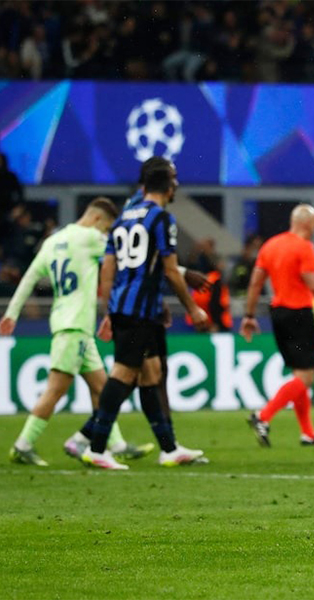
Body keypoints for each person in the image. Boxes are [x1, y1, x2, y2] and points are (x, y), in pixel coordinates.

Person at [2, 198, 153, 466]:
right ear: (96, 220)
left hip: (70, 324)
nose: (104, 234)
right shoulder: (91, 238)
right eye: (105, 228)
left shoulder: (52, 241)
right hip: (74, 327)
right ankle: (23, 444)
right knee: (56, 390)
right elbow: (126, 257)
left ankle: (115, 443)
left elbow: (29, 279)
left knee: (103, 389)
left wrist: (12, 314)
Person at [81, 158, 210, 470]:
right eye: (175, 179)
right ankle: (96, 447)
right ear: (167, 185)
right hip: (139, 311)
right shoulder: (161, 218)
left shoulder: (123, 218)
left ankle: (169, 448)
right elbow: (170, 270)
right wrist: (193, 308)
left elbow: (108, 268)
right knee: (123, 375)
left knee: (151, 374)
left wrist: (109, 308)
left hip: (132, 308)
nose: (177, 185)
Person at [242, 204, 314, 447]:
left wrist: (249, 315)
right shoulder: (305, 248)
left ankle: (308, 433)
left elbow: (255, 283)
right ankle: (263, 416)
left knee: (299, 375)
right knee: (306, 377)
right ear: (309, 224)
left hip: (277, 314)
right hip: (299, 314)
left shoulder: (271, 245)